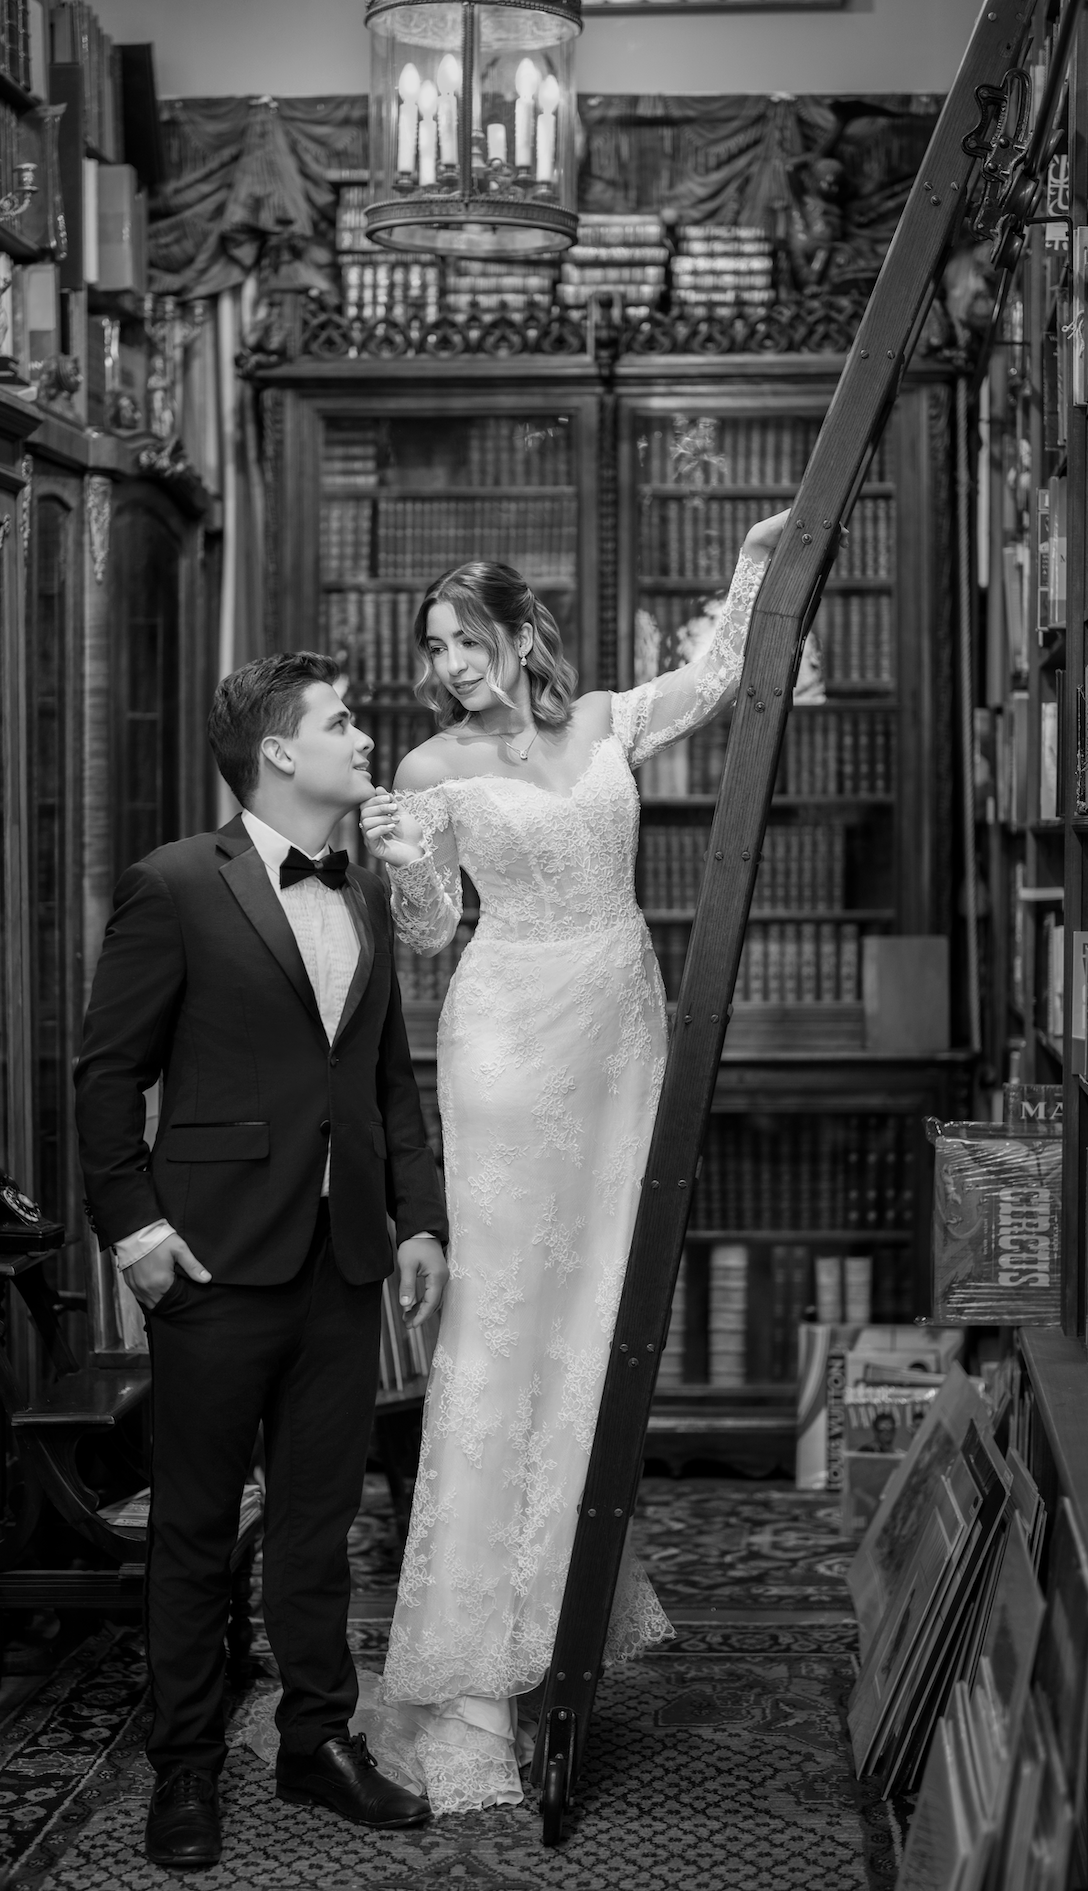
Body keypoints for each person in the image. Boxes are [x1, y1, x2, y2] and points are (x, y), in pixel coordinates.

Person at [357, 512, 787, 1814]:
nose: (448, 663)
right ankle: (473, 1681)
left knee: (596, 1327)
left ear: (517, 630)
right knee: (502, 1336)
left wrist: (756, 559)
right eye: (433, 646)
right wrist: (405, 862)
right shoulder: (428, 762)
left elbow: (718, 679)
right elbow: (431, 932)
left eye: (464, 638)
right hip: (505, 1038)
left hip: (619, 1030)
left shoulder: (603, 720)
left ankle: (556, 1617)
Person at [75, 653, 450, 1870]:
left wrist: (417, 1219)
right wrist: (136, 1233)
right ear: (280, 751)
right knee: (195, 1528)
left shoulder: (366, 889)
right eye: (341, 720)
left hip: (342, 1260)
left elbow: (387, 1078)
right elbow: (106, 1075)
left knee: (318, 1525)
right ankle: (184, 1766)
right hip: (212, 1264)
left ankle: (315, 1740)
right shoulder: (176, 883)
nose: (363, 735)